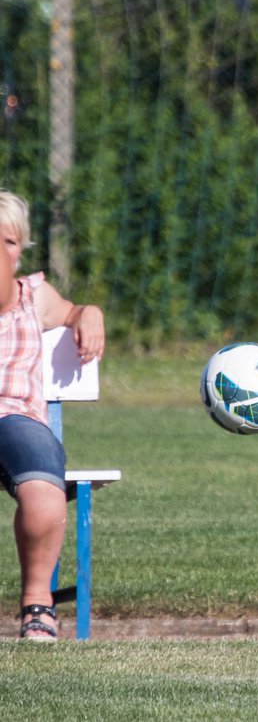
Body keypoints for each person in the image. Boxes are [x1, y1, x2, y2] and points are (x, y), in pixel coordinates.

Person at [0, 191, 104, 640]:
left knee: (44, 492)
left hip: (15, 417)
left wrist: (90, 313)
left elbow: (72, 311)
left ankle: (37, 605)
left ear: (22, 249)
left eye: (7, 242)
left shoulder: (32, 296)